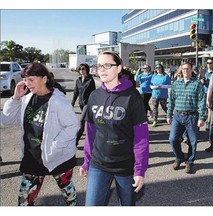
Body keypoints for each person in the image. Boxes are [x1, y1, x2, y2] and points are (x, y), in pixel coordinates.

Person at [1, 62, 79, 206]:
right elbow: (6, 120)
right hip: (33, 158)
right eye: (25, 79)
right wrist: (15, 98)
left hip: (58, 157)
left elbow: (73, 125)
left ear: (44, 79)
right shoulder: (26, 98)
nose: (27, 83)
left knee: (68, 194)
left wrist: (54, 147)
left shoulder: (58, 101)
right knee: (24, 201)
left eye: (31, 79)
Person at [79, 51, 149, 206]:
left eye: (107, 65)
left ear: (119, 68)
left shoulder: (132, 97)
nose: (102, 69)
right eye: (99, 66)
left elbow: (141, 136)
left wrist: (139, 169)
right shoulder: (94, 96)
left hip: (125, 165)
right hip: (99, 163)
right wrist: (87, 161)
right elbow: (90, 133)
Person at [167, 62, 206, 174]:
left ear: (191, 70)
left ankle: (189, 162)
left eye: (188, 69)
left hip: (192, 116)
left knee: (192, 142)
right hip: (178, 116)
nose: (185, 71)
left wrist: (202, 118)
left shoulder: (197, 84)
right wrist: (169, 115)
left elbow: (201, 101)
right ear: (180, 70)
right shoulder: (176, 83)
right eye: (183, 69)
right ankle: (179, 158)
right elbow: (171, 100)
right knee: (173, 139)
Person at [71, 63, 96, 146]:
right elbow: (75, 92)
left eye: (83, 68)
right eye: (80, 68)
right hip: (81, 103)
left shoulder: (90, 80)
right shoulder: (78, 80)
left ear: (87, 69)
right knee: (87, 120)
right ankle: (93, 135)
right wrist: (72, 103)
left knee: (81, 121)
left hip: (88, 104)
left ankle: (75, 141)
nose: (81, 70)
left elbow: (93, 93)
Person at [199, 58, 213, 131]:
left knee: (209, 107)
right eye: (207, 63)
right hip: (203, 92)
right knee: (202, 107)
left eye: (210, 63)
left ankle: (208, 123)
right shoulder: (203, 71)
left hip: (212, 92)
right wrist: (201, 81)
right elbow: (198, 79)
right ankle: (202, 120)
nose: (209, 64)